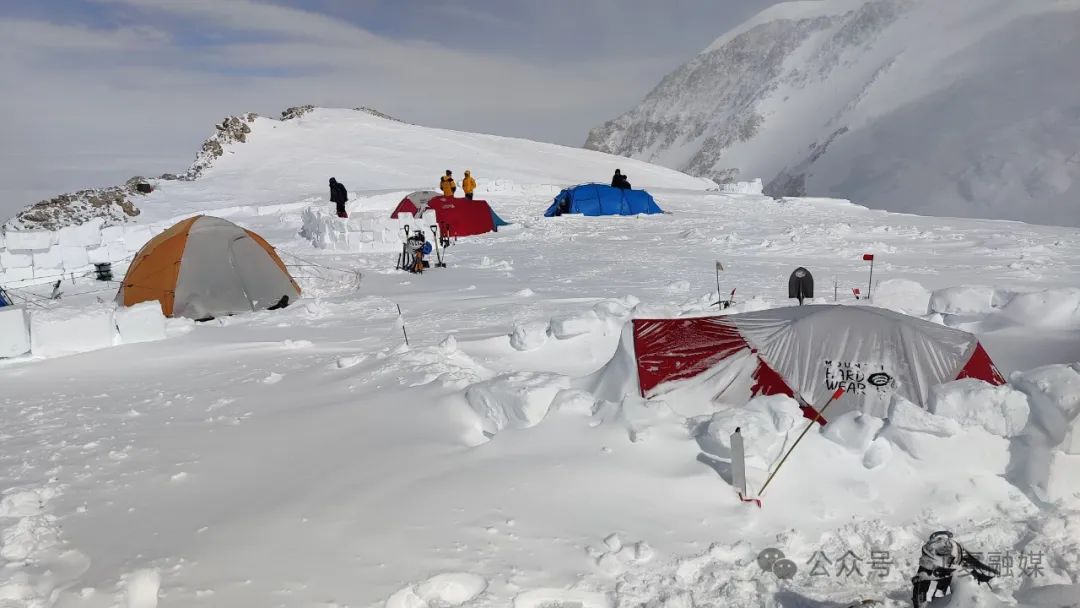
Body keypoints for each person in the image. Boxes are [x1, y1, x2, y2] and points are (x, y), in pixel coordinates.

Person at [911, 531, 997, 608]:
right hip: (937, 575)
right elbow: (919, 599)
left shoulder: (955, 550)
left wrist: (984, 573)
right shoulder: (926, 570)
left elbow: (972, 561)